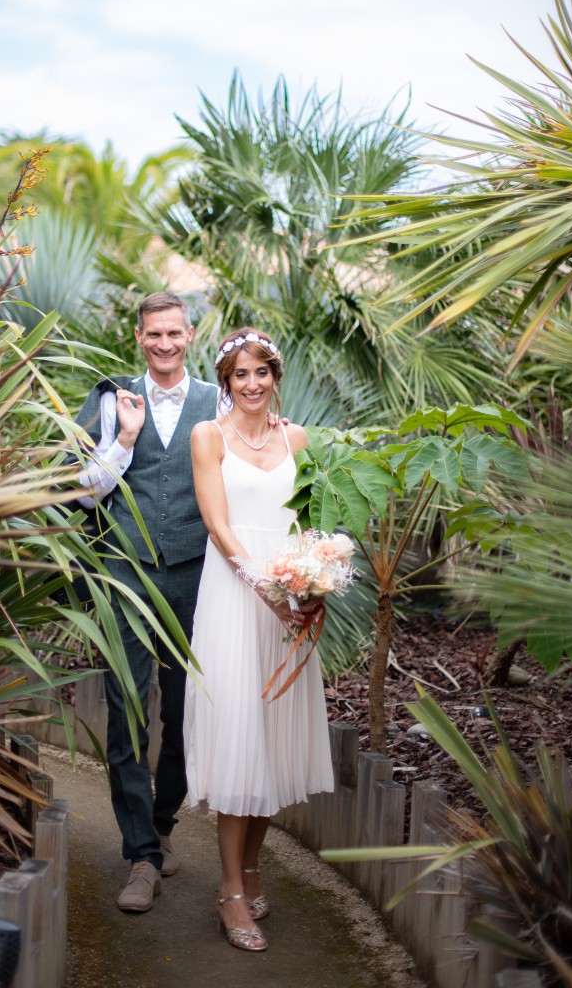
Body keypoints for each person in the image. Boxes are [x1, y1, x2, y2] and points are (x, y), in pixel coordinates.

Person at [184, 328, 334, 952]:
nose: (251, 385)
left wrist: (312, 583)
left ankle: (252, 866)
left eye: (261, 374)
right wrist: (270, 595)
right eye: (239, 375)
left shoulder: (297, 438)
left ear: (275, 376)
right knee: (240, 736)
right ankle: (228, 890)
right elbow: (219, 528)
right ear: (225, 381)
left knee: (272, 739)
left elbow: (308, 522)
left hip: (291, 599)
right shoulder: (208, 437)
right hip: (236, 597)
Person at [74, 292, 219, 912]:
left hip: (196, 574)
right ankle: (140, 857)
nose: (164, 344)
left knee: (186, 713)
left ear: (190, 334)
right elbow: (80, 493)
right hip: (123, 571)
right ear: (139, 337)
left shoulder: (220, 400)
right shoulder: (111, 399)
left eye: (174, 334)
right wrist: (125, 440)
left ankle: (162, 825)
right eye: (153, 335)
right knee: (126, 707)